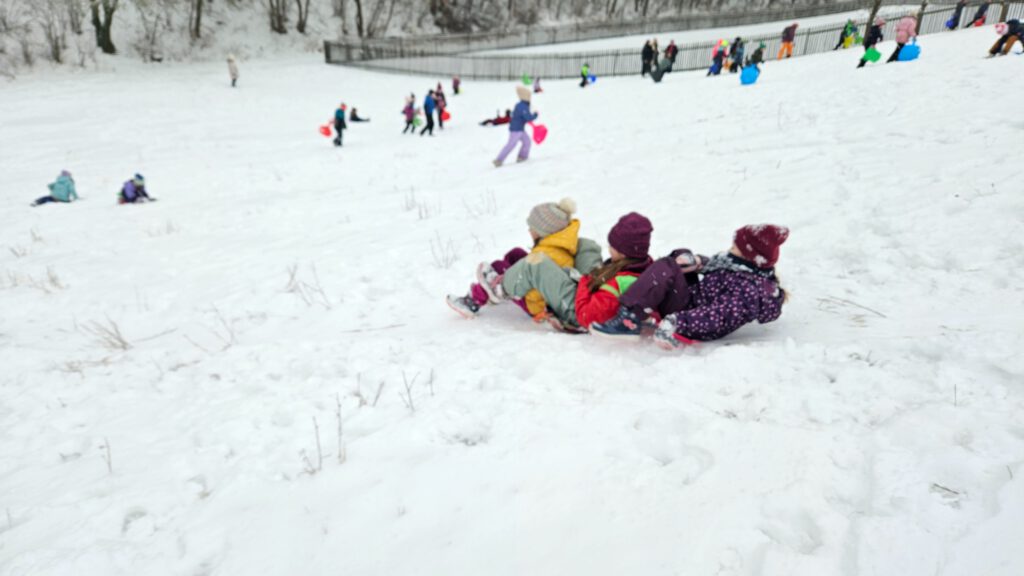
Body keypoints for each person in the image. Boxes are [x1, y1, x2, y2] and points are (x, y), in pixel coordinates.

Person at [592, 224, 788, 349]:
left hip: (691, 315)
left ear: (750, 256)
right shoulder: (741, 268)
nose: (730, 249)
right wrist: (697, 262)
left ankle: (629, 318)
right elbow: (721, 271)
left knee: (667, 267)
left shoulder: (747, 291)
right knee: (680, 254)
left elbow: (718, 316)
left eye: (735, 247)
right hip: (693, 301)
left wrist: (679, 322)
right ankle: (646, 292)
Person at [461, 212, 655, 334]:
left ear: (623, 252)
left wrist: (582, 280)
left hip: (578, 310)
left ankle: (499, 289)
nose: (609, 248)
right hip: (592, 290)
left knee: (535, 263)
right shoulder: (639, 264)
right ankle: (530, 274)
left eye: (612, 246)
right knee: (586, 245)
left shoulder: (623, 280)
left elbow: (589, 316)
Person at [446, 199, 598, 323]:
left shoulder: (548, 254)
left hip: (538, 304)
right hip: (546, 288)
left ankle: (474, 301)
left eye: (532, 227)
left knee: (499, 267)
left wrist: (519, 290)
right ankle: (493, 289)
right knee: (515, 254)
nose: (529, 230)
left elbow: (538, 292)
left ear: (544, 232)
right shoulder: (559, 245)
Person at [493, 85, 537, 167]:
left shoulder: (521, 105)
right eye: (529, 96)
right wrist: (535, 114)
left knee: (527, 142)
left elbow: (520, 116)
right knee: (511, 145)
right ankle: (498, 160)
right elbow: (528, 117)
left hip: (520, 128)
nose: (530, 97)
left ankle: (522, 157)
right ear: (525, 96)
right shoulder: (522, 106)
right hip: (516, 129)